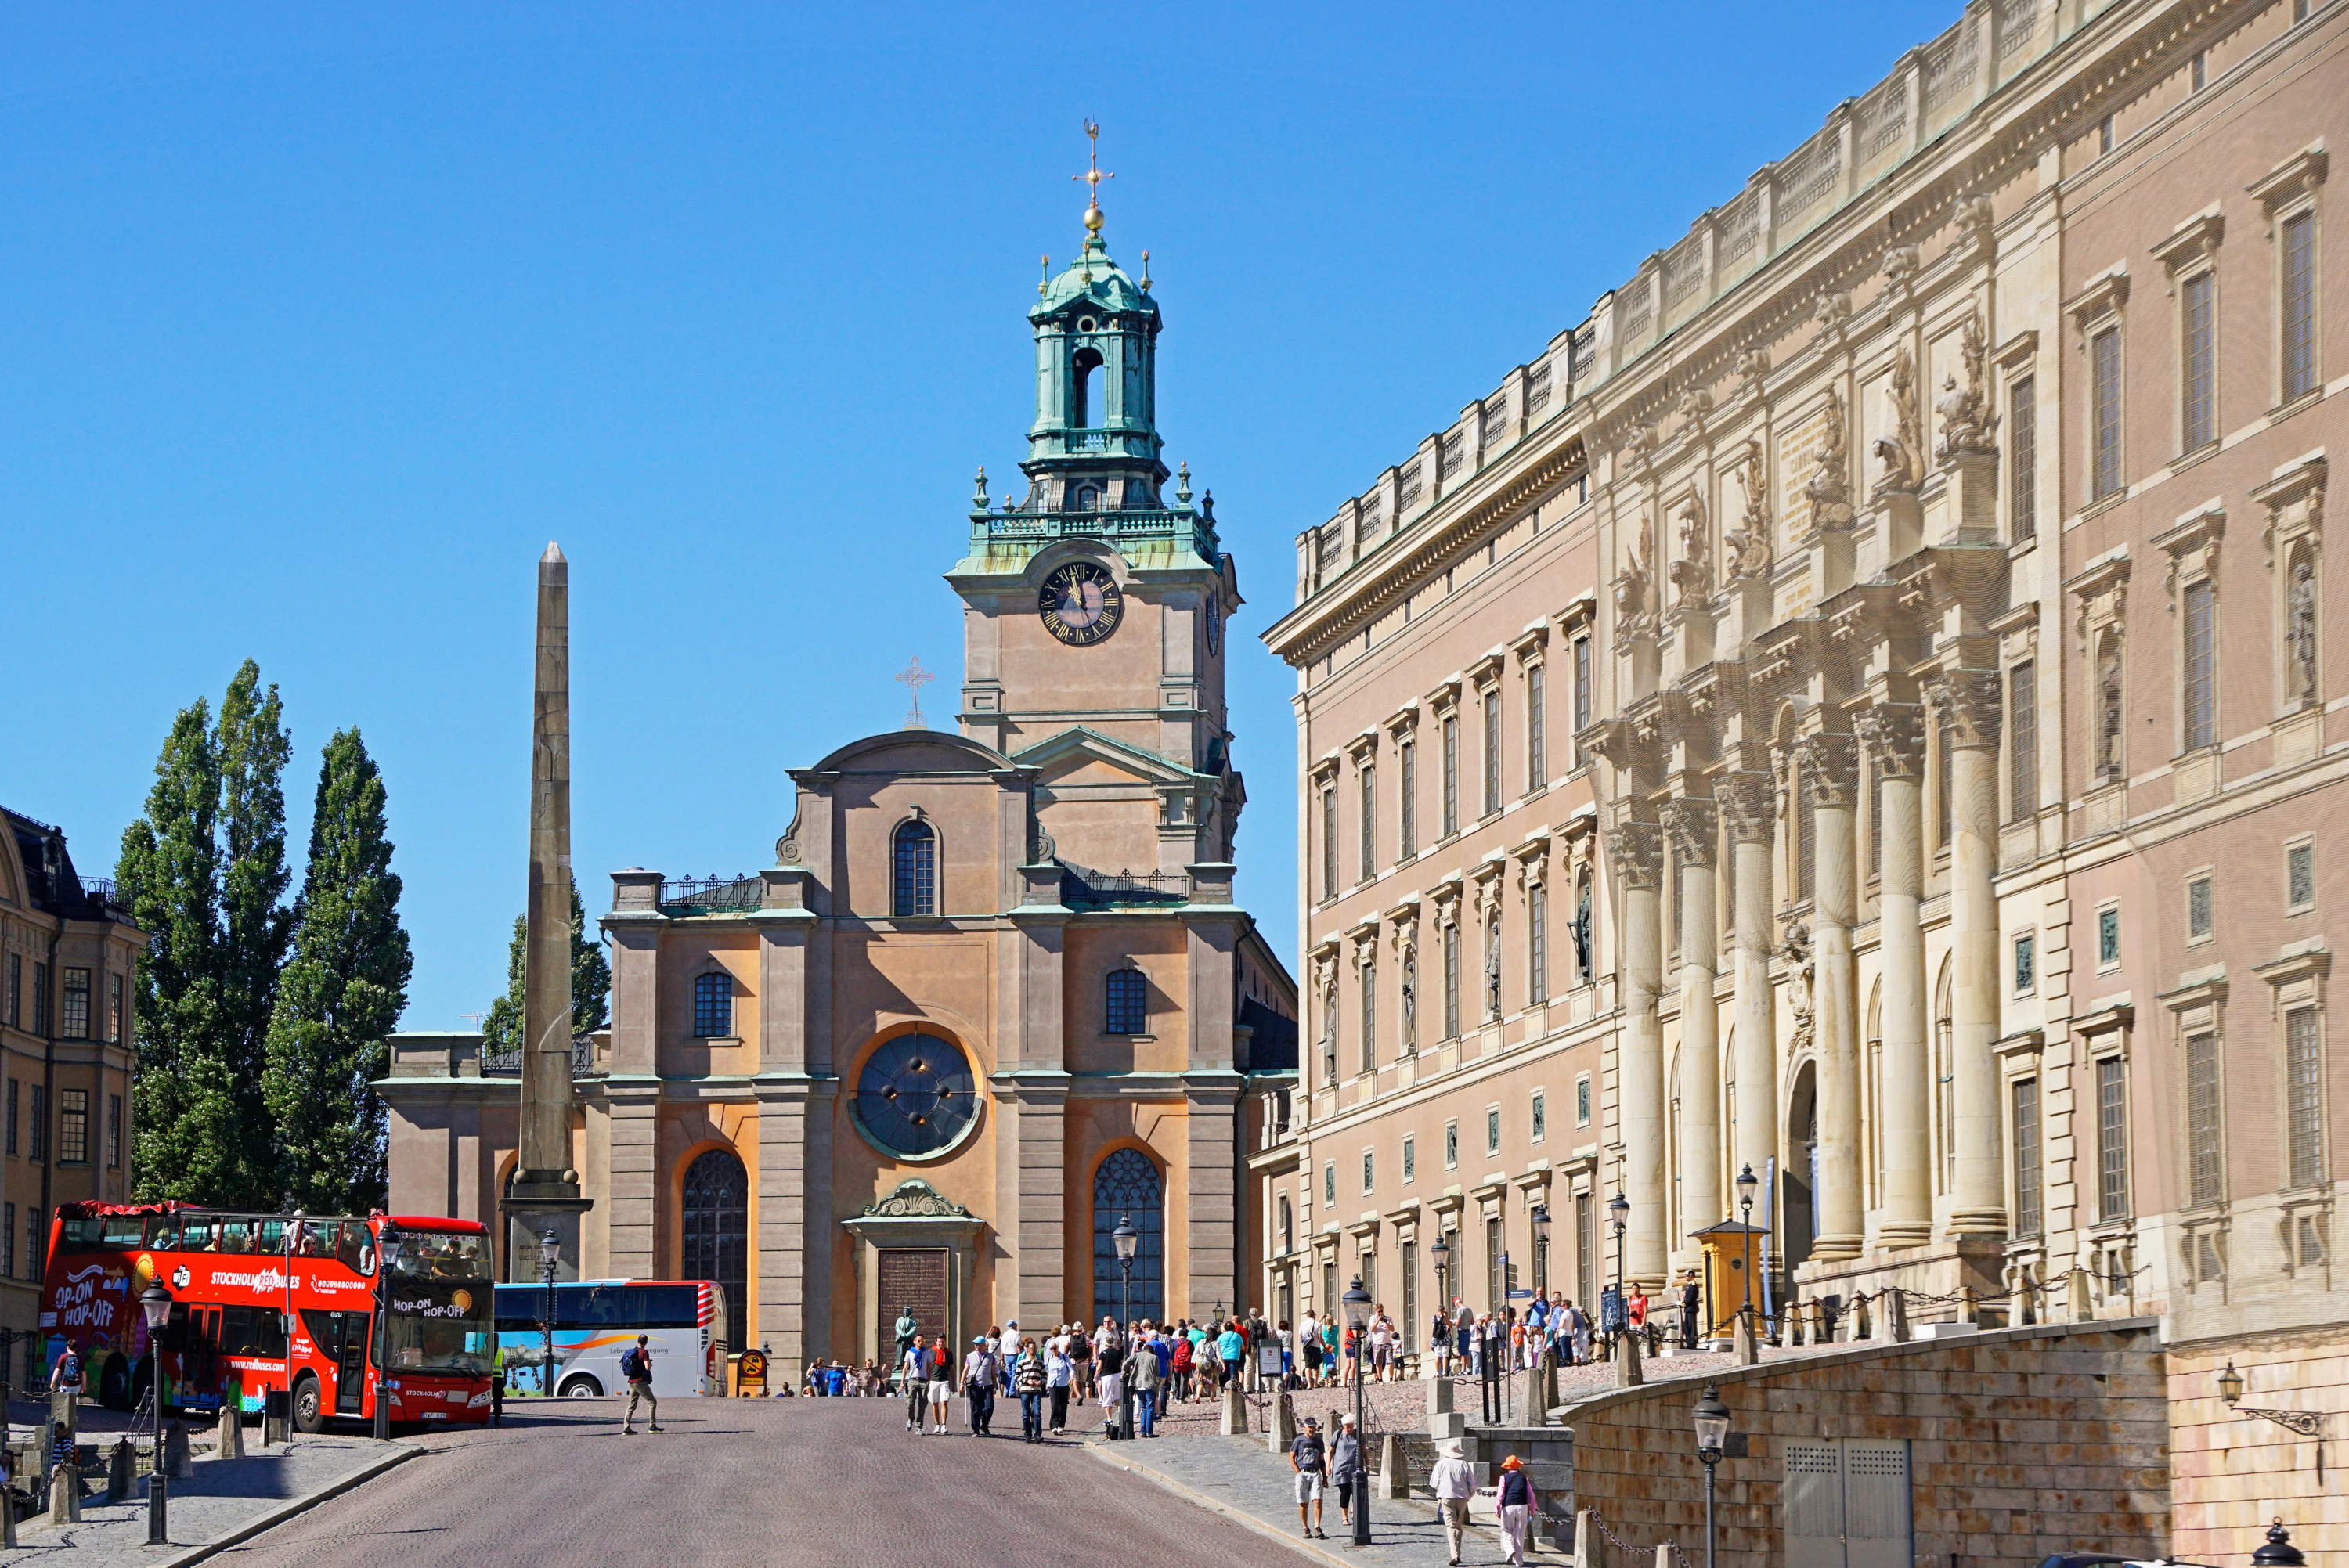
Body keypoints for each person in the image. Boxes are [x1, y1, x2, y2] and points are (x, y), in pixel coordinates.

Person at [1430, 1436, 1478, 1567]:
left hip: (1446, 1496)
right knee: (1458, 1524)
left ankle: (1455, 1555)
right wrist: (1470, 1495)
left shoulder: (1441, 1464)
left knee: (1451, 1525)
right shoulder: (1464, 1464)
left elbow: (1434, 1483)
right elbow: (1473, 1484)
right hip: (1462, 1497)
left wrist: (1442, 1487)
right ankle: (1457, 1552)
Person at [1290, 1414, 1330, 1540]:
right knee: (1304, 1503)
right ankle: (1305, 1527)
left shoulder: (1318, 1441)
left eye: (1314, 1427)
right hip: (1303, 1473)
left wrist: (1325, 1477)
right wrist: (1297, 1470)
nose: (1312, 1429)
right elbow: (1291, 1457)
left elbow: (1322, 1459)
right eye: (1310, 1427)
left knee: (1317, 1500)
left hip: (1315, 1472)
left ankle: (1317, 1527)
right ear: (1305, 1428)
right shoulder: (1299, 1440)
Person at [1497, 1454, 1541, 1566]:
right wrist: (1533, 1509)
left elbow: (1500, 1495)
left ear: (1507, 1467)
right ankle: (1519, 1561)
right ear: (1518, 1467)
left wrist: (1498, 1509)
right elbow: (1531, 1496)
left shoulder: (1504, 1478)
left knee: (1506, 1530)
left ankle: (1509, 1549)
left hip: (1508, 1506)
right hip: (1522, 1506)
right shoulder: (1524, 1478)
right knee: (1519, 1534)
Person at [619, 1334, 663, 1435]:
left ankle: (626, 1428)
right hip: (640, 1382)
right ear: (646, 1342)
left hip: (631, 1381)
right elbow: (647, 1367)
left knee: (631, 1405)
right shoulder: (644, 1352)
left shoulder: (633, 1351)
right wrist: (649, 1365)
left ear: (638, 1341)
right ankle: (652, 1426)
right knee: (652, 1401)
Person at [1330, 1412, 1364, 1530]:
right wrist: (1329, 1466)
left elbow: (1364, 1450)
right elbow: (1331, 1450)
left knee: (1355, 1491)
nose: (1349, 1429)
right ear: (1343, 1426)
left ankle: (1353, 1509)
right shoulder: (1338, 1434)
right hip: (1341, 1469)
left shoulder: (1358, 1435)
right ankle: (1344, 1517)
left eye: (1351, 1426)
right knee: (1345, 1492)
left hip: (1355, 1468)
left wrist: (1368, 1465)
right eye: (1347, 1426)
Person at [1128, 1327, 1160, 1437]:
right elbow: (1157, 1372)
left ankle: (1142, 1432)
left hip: (1138, 1385)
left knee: (1144, 1408)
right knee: (1150, 1409)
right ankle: (1149, 1432)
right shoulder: (1154, 1358)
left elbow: (1126, 1363)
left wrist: (1124, 1373)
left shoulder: (1137, 1355)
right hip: (1149, 1385)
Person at [962, 1336, 998, 1436]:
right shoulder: (970, 1356)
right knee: (975, 1409)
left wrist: (994, 1387)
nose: (976, 1346)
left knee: (989, 1407)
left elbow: (993, 1372)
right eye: (975, 1344)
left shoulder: (991, 1357)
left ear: (983, 1345)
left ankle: (985, 1425)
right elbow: (965, 1370)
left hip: (987, 1385)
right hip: (974, 1386)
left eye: (978, 1344)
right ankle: (976, 1429)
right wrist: (961, 1383)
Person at [1014, 1339, 1048, 1442]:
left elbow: (1045, 1376)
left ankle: (1038, 1435)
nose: (1035, 1350)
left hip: (1036, 1390)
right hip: (1025, 1390)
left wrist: (1041, 1382)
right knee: (1026, 1414)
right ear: (1028, 1349)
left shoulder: (1040, 1362)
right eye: (1033, 1348)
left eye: (1035, 1348)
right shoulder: (1022, 1362)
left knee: (1037, 1412)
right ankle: (1027, 1435)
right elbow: (1016, 1376)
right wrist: (1026, 1380)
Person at [925, 1335, 954, 1435]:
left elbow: (952, 1369)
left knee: (944, 1402)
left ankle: (944, 1425)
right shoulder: (930, 1352)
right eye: (939, 1342)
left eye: (942, 1342)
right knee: (935, 1403)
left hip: (944, 1381)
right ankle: (937, 1425)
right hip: (933, 1381)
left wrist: (953, 1383)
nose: (941, 1344)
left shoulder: (948, 1353)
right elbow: (927, 1367)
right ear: (936, 1342)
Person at [900, 1336, 930, 1433]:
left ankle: (919, 1426)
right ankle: (910, 1419)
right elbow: (905, 1368)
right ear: (915, 1342)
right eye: (919, 1341)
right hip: (912, 1380)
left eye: (922, 1341)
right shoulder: (909, 1353)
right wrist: (902, 1382)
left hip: (923, 1381)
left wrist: (928, 1380)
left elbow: (930, 1368)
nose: (921, 1343)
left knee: (922, 1405)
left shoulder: (927, 1353)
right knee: (911, 1403)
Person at [1046, 1337, 1074, 1435]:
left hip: (1063, 1383)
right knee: (1054, 1405)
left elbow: (1070, 1368)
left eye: (1055, 1348)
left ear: (1058, 1347)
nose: (1053, 1350)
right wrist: (1046, 1381)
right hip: (1052, 1384)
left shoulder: (1064, 1357)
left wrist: (1071, 1376)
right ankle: (1054, 1425)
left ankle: (1061, 1425)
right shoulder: (1049, 1358)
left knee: (1063, 1405)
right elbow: (1045, 1370)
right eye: (1051, 1349)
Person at [1216, 1317, 1246, 1390]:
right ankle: (1234, 1390)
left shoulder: (1221, 1336)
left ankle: (1224, 1390)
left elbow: (1217, 1346)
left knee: (1224, 1374)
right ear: (1233, 1328)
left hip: (1224, 1357)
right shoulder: (1237, 1336)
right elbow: (1243, 1347)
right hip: (1234, 1356)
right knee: (1233, 1375)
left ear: (1225, 1328)